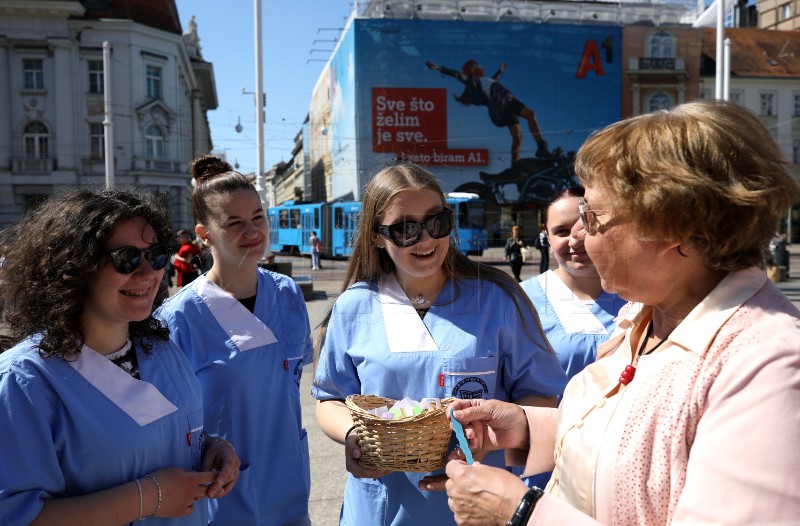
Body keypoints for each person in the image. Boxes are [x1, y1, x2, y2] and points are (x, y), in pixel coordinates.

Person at [439, 100, 800, 525]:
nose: (578, 234)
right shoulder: (650, 314)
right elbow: (638, 438)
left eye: (591, 215)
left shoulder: (768, 364)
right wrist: (527, 427)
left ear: (670, 226)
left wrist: (520, 513)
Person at [312, 162, 567, 526]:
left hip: (477, 503)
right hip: (381, 508)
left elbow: (539, 395)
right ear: (375, 236)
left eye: (437, 221)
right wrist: (354, 435)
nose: (426, 239)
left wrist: (490, 441)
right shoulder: (354, 306)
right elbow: (330, 398)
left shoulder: (498, 298)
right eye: (405, 229)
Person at [0, 188, 240, 525]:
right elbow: (15, 516)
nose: (147, 273)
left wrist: (211, 448)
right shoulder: (24, 383)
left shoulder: (161, 349)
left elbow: (166, 435)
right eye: (126, 258)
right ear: (75, 268)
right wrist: (147, 497)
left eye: (156, 255)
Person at [156, 155, 314, 526]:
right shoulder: (178, 318)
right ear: (204, 234)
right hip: (221, 500)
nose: (253, 231)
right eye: (235, 223)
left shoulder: (288, 294)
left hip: (291, 493)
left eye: (258, 217)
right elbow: (167, 427)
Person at [426, 59, 549, 161]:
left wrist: (501, 70)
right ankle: (541, 146)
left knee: (518, 137)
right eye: (475, 66)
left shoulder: (487, 80)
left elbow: (495, 79)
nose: (478, 67)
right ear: (471, 69)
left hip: (506, 100)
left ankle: (515, 165)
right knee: (530, 114)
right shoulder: (473, 81)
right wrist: (438, 68)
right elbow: (457, 75)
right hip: (502, 102)